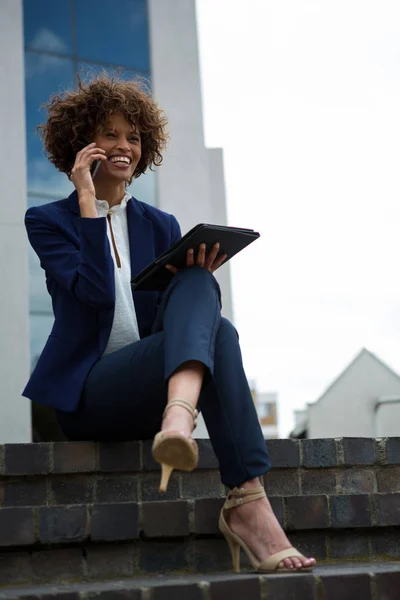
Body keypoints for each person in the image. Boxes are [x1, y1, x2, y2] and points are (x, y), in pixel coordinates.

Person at [23, 73, 316, 574]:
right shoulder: (49, 221)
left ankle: (219, 466)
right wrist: (90, 203)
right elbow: (94, 293)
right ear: (82, 143)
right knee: (218, 329)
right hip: (91, 396)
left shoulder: (159, 225)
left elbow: (172, 322)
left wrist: (192, 288)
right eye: (110, 134)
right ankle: (235, 489)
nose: (123, 146)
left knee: (202, 287)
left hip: (151, 388)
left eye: (133, 137)